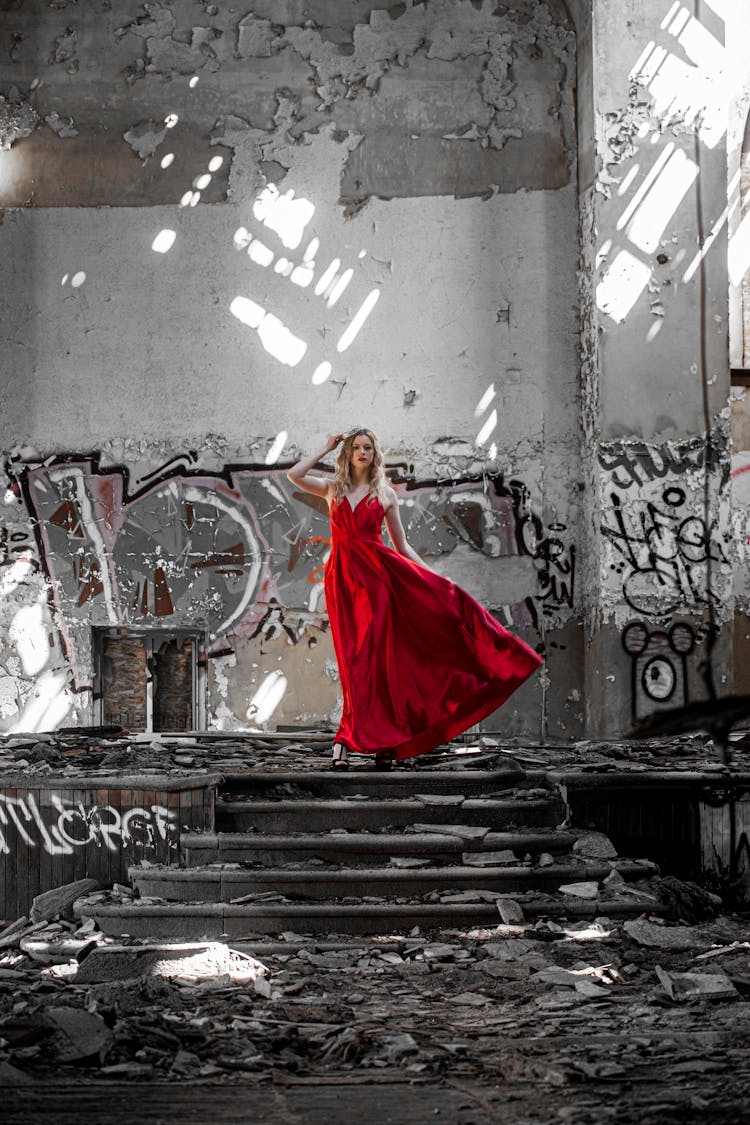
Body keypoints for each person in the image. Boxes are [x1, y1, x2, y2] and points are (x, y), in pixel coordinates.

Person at [287, 428, 543, 769]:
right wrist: (326, 447)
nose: (362, 452)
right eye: (356, 448)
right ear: (347, 454)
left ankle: (354, 741)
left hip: (377, 581)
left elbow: (402, 547)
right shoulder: (334, 488)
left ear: (374, 454)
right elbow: (295, 474)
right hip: (342, 583)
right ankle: (361, 740)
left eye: (367, 447)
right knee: (352, 664)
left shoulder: (385, 494)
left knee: (372, 660)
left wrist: (434, 579)